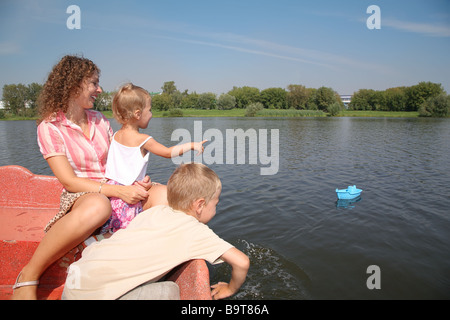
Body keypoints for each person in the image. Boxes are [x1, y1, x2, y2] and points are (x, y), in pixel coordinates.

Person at [11, 55, 166, 300]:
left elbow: (119, 161)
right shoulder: (49, 126)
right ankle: (29, 274)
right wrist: (119, 192)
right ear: (74, 85)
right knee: (98, 206)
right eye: (94, 83)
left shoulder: (100, 120)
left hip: (117, 184)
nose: (99, 89)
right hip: (82, 193)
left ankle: (137, 260)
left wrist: (136, 180)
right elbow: (69, 181)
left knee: (166, 196)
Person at [62, 163, 250, 300]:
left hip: (74, 284)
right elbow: (242, 262)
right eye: (215, 203)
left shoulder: (153, 212)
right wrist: (229, 289)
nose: (216, 208)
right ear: (200, 205)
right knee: (171, 291)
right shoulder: (197, 232)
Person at [100, 83, 207, 234]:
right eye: (149, 110)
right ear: (137, 114)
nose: (151, 114)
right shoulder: (143, 139)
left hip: (113, 196)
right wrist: (191, 145)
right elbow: (168, 152)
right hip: (129, 198)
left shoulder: (116, 135)